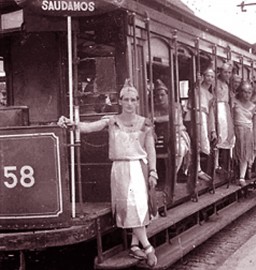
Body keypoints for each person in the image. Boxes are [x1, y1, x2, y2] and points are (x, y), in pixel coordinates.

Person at [58, 79, 158, 267]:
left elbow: (150, 149)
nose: (129, 103)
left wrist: (153, 172)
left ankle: (141, 246)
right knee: (128, 207)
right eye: (126, 99)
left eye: (133, 99)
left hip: (139, 167)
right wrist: (72, 124)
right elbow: (89, 127)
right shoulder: (112, 121)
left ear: (137, 102)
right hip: (120, 169)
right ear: (119, 101)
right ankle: (143, 246)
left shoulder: (145, 123)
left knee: (140, 206)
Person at [153, 79, 191, 175]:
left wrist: (155, 119)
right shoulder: (153, 108)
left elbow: (173, 118)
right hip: (160, 138)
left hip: (177, 135)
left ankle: (171, 177)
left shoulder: (175, 106)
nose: (160, 98)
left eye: (162, 95)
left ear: (168, 95)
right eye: (157, 95)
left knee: (179, 149)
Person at [186, 69, 216, 182]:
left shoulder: (210, 95)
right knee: (196, 143)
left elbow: (211, 113)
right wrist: (196, 84)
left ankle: (199, 169)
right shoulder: (197, 89)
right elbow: (192, 98)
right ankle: (196, 169)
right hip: (197, 116)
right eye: (207, 76)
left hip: (205, 118)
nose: (209, 78)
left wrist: (212, 129)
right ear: (203, 76)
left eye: (212, 77)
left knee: (201, 143)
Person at [232, 81, 256, 187]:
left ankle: (242, 176)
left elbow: (255, 122)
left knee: (245, 153)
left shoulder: (254, 106)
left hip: (247, 132)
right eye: (245, 92)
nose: (247, 94)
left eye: (249, 92)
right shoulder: (234, 102)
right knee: (235, 152)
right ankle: (232, 174)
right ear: (240, 92)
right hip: (235, 130)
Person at [214, 62, 235, 171]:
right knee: (218, 135)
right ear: (221, 72)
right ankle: (216, 163)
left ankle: (225, 162)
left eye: (229, 72)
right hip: (217, 109)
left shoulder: (227, 85)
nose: (227, 74)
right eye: (225, 72)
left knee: (226, 135)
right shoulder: (215, 82)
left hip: (225, 109)